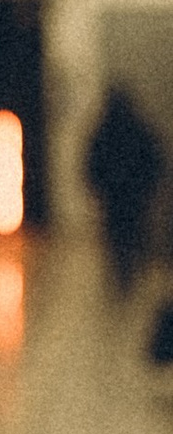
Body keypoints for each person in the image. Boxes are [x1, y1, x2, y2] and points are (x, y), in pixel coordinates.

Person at [82, 81, 165, 292]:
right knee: (130, 238)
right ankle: (129, 277)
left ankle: (124, 277)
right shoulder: (138, 129)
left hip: (117, 198)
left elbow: (92, 162)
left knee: (119, 240)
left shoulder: (105, 131)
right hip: (131, 197)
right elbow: (155, 158)